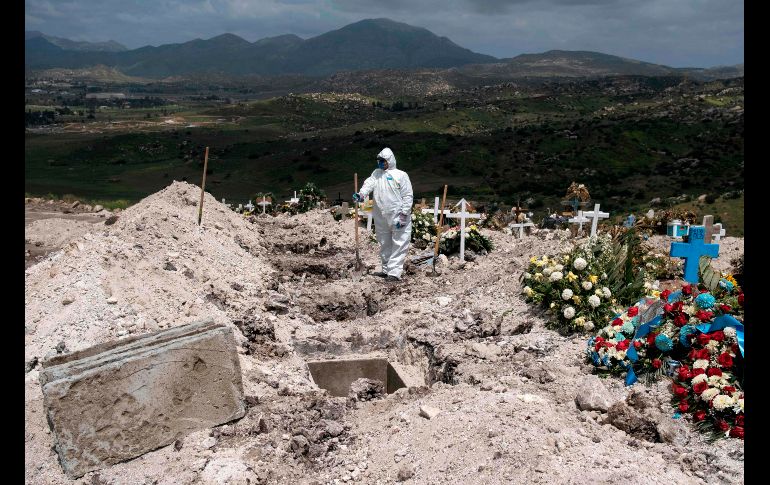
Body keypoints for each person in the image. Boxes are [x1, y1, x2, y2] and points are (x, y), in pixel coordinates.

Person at [353, 148, 413, 281]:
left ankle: (394, 273)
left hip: (398, 215)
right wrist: (361, 194)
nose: (381, 163)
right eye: (379, 160)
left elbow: (407, 195)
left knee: (399, 243)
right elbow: (368, 184)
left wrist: (404, 214)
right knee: (384, 242)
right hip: (381, 216)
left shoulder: (401, 175)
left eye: (383, 161)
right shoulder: (376, 174)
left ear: (390, 160)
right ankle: (386, 270)